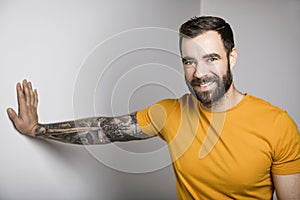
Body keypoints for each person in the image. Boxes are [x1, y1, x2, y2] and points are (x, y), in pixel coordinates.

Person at [7, 16, 300, 199]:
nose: (198, 73)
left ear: (231, 57)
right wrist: (37, 128)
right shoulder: (169, 113)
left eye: (211, 58)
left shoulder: (277, 124)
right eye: (189, 61)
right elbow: (104, 129)